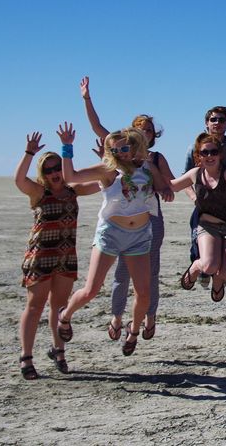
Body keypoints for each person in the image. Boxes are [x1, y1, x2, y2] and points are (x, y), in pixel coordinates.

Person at [55, 124, 171, 357]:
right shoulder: (108, 170)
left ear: (134, 146)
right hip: (111, 233)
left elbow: (162, 188)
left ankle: (134, 331)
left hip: (139, 236)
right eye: (115, 150)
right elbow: (71, 177)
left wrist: (152, 169)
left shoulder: (145, 168)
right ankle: (65, 315)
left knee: (144, 292)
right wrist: (67, 147)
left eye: (125, 148)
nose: (121, 154)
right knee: (91, 290)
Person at [79, 76, 174, 341]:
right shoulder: (120, 151)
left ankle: (148, 317)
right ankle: (117, 316)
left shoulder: (154, 158)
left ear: (153, 137)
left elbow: (170, 184)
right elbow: (98, 127)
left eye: (149, 130)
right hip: (118, 222)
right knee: (120, 272)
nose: (145, 133)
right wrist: (87, 98)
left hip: (150, 220)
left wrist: (168, 188)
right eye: (140, 129)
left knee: (150, 273)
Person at [13, 133, 100, 379]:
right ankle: (26, 357)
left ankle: (58, 351)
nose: (55, 172)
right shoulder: (39, 193)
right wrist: (29, 153)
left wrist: (106, 161)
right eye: (49, 169)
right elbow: (19, 180)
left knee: (59, 307)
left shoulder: (73, 191)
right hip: (41, 256)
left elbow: (105, 182)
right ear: (43, 173)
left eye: (58, 167)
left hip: (65, 257)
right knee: (35, 306)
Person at [172, 134, 226, 303]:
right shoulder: (195, 172)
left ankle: (218, 280)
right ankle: (196, 267)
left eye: (214, 152)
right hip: (208, 223)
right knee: (209, 265)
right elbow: (173, 184)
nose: (209, 155)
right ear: (198, 155)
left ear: (220, 154)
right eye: (204, 153)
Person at [183, 106, 226, 289]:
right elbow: (186, 178)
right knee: (201, 248)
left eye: (221, 120)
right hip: (205, 209)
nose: (217, 123)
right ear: (206, 123)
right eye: (214, 119)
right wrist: (196, 199)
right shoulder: (195, 148)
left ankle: (219, 279)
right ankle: (202, 270)